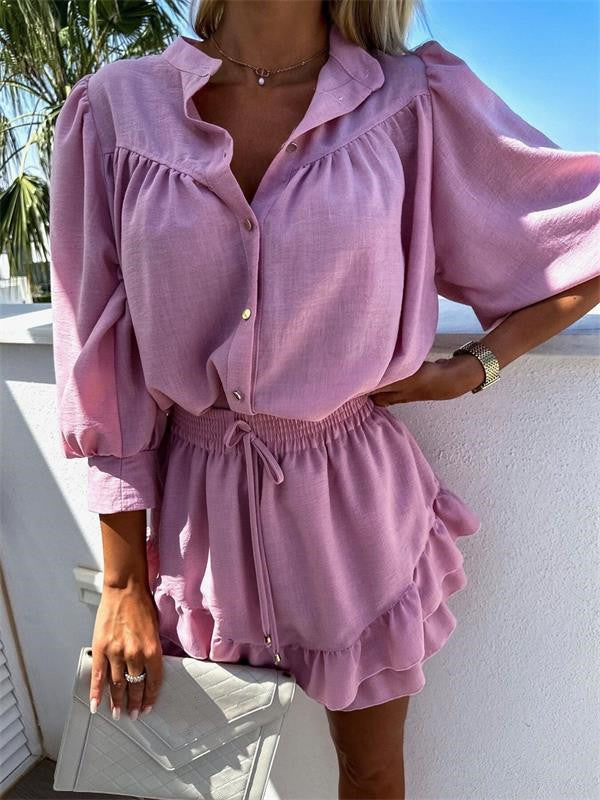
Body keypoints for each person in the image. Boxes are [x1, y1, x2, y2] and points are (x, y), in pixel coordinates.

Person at [48, 0, 600, 797]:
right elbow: (99, 355)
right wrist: (124, 583)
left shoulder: (413, 99)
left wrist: (479, 363)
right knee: (197, 776)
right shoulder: (114, 110)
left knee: (370, 772)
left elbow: (581, 238)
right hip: (197, 513)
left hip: (354, 512)